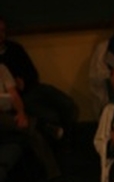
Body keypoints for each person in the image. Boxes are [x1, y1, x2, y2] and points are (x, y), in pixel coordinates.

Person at [0, 16, 77, 153]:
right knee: (51, 116)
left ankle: (69, 138)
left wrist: (24, 81)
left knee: (67, 104)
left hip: (33, 87)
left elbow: (33, 73)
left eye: (3, 31)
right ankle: (60, 145)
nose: (1, 35)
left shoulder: (15, 48)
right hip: (20, 97)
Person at [0, 62, 68, 182]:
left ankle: (55, 177)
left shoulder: (2, 69)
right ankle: (44, 125)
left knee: (34, 134)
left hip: (8, 116)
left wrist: (21, 113)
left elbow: (14, 95)